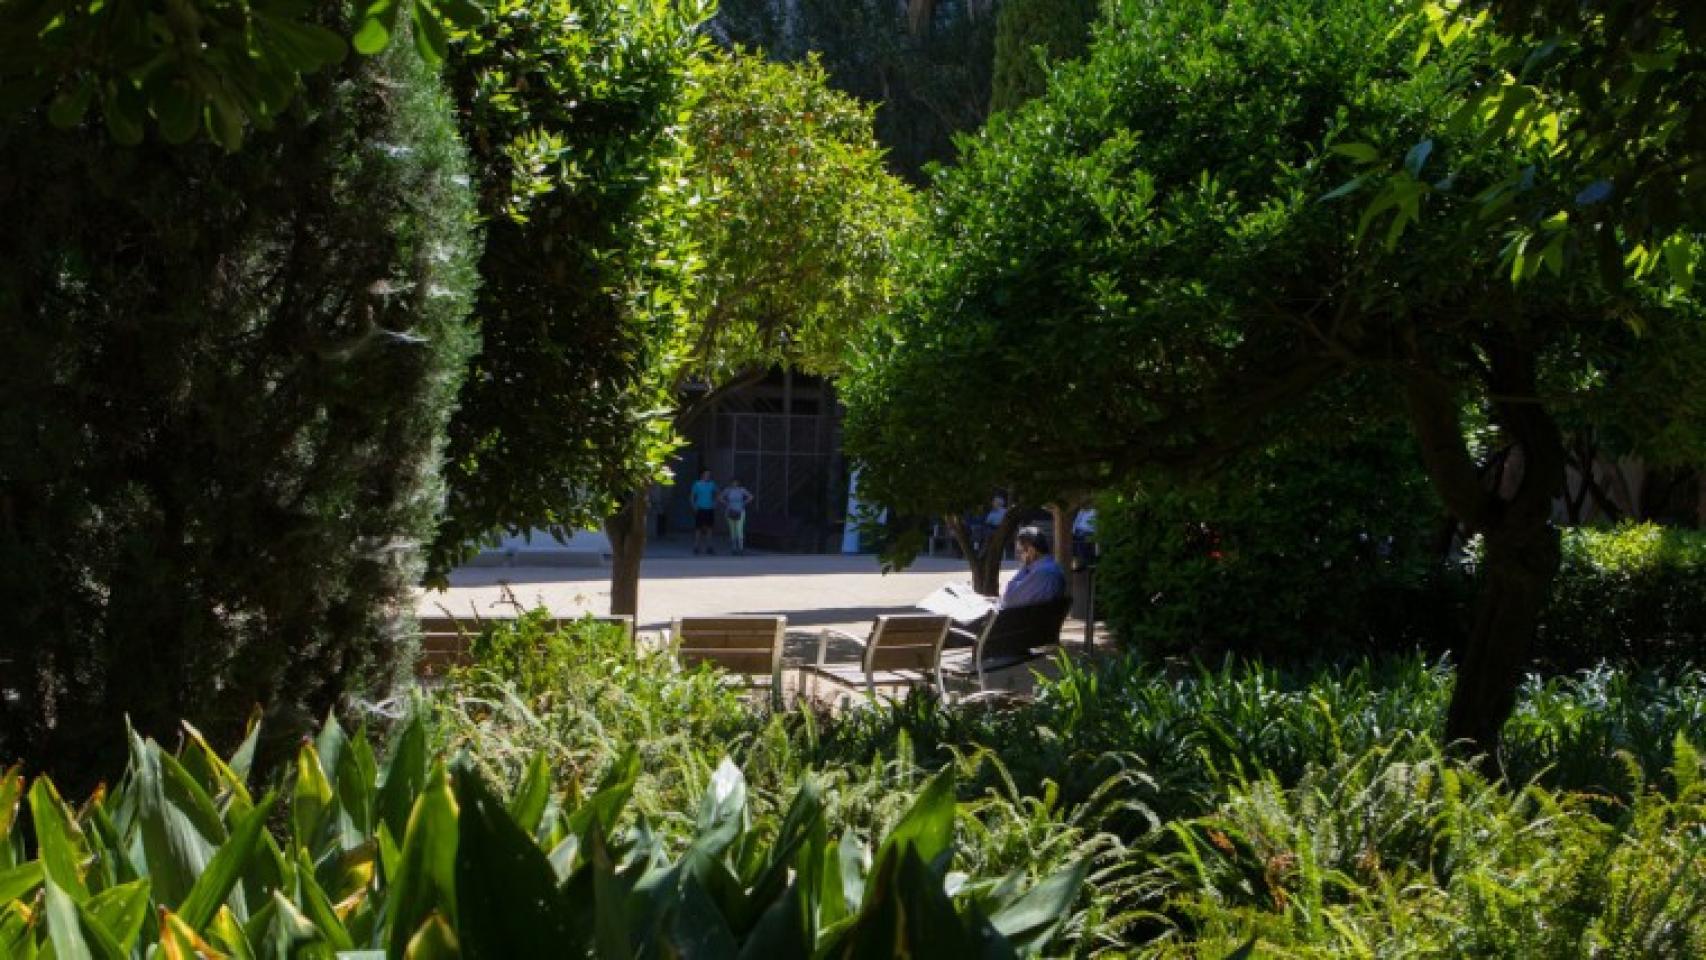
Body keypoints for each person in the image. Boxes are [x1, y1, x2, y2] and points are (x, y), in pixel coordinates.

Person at [1000, 526, 1067, 610]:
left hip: (1027, 616)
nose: (1018, 557)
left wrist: (1024, 567)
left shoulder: (1042, 573)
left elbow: (1009, 599)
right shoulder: (1054, 567)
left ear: (1031, 550)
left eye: (1020, 552)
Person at [720, 478, 754, 555]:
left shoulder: (742, 490)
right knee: (733, 530)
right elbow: (720, 497)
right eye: (733, 482)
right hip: (730, 511)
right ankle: (734, 548)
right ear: (731, 483)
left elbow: (751, 496)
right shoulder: (728, 490)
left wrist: (744, 503)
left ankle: (741, 547)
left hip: (740, 511)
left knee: (739, 529)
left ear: (738, 483)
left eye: (736, 482)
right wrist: (726, 503)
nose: (734, 484)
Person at [690, 469, 718, 555]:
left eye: (709, 474)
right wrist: (693, 505)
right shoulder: (697, 484)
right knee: (698, 528)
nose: (708, 476)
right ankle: (696, 546)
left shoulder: (712, 484)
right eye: (706, 474)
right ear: (702, 475)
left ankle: (709, 546)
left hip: (709, 508)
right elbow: (692, 495)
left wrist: (715, 503)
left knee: (709, 528)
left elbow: (717, 493)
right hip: (700, 508)